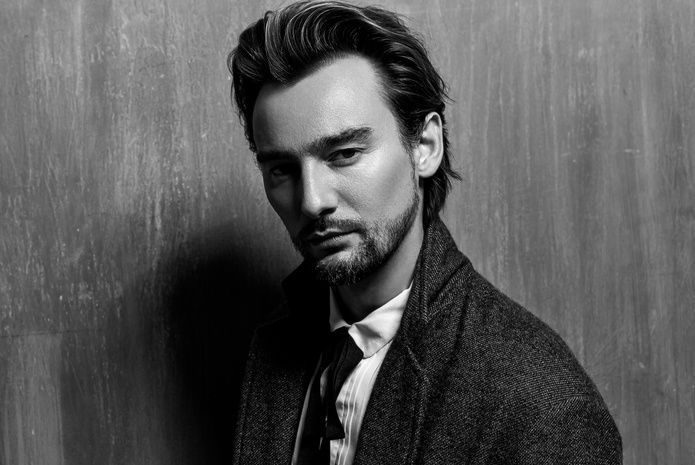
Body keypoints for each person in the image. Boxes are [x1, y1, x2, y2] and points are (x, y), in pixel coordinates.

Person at [227, 1, 622, 464]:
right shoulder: (276, 344)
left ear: (425, 146)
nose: (312, 201)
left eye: (344, 154)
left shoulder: (540, 406)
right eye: (281, 169)